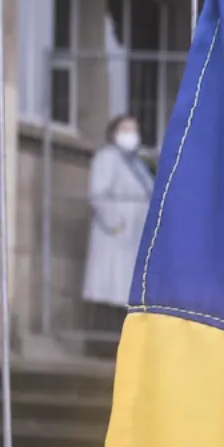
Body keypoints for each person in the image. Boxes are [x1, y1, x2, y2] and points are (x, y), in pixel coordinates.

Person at [83, 113, 155, 349]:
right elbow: (98, 193)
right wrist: (115, 223)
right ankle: (100, 346)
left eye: (134, 129)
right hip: (114, 234)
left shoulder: (137, 163)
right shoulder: (108, 158)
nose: (130, 135)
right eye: (125, 129)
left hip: (133, 237)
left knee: (123, 288)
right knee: (110, 288)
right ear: (114, 132)